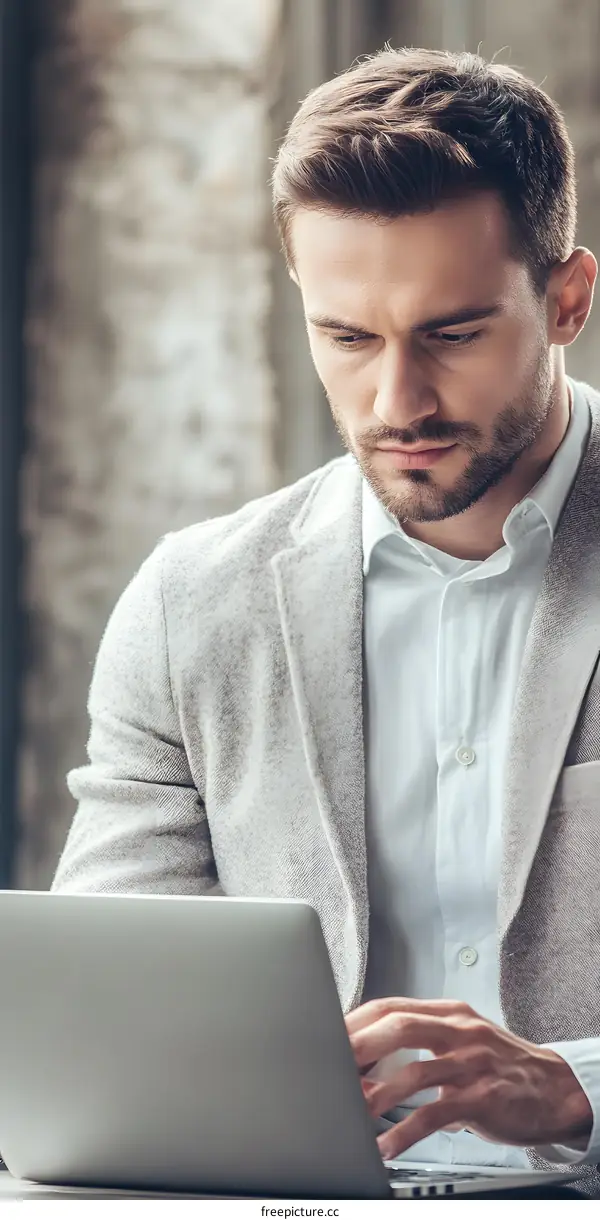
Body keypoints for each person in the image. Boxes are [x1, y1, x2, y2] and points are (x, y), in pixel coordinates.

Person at [52, 47, 600, 1194]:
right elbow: (104, 1022)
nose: (396, 403)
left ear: (567, 301)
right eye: (348, 338)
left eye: (452, 334)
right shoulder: (195, 603)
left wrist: (579, 1085)